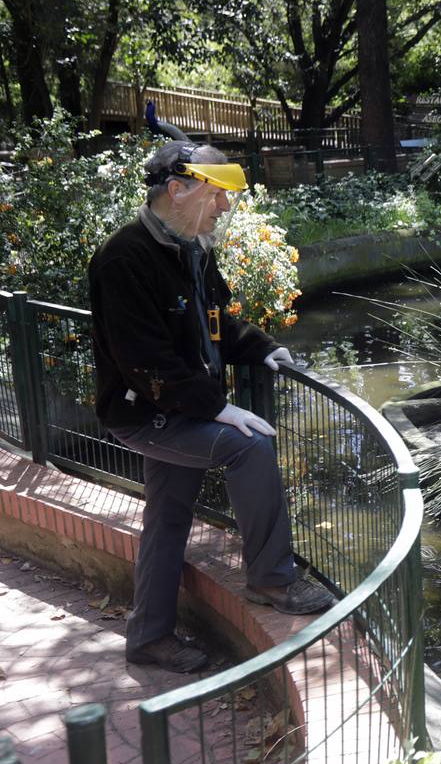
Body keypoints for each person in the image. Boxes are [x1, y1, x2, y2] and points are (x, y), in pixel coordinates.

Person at [88, 141, 334, 674]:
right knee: (250, 448)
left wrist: (266, 348)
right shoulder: (122, 259)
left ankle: (148, 639)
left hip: (181, 410)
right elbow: (144, 362)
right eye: (216, 195)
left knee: (167, 517)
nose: (224, 208)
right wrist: (219, 409)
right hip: (146, 414)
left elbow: (219, 322)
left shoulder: (193, 246)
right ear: (176, 191)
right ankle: (271, 579)